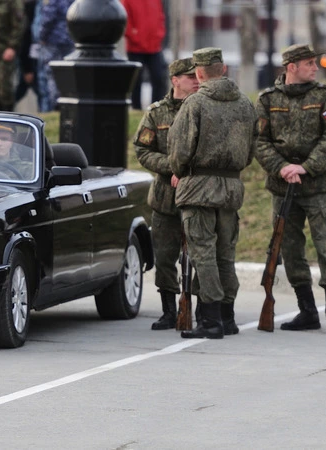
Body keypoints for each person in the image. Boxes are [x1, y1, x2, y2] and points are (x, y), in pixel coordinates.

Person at [255, 44, 326, 333]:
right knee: (291, 248)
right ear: (291, 67)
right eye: (309, 63)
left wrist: (306, 167)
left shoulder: (324, 95)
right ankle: (306, 309)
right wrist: (282, 167)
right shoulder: (268, 99)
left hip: (317, 184)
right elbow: (259, 140)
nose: (315, 67)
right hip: (283, 187)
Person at [167, 47, 257, 339]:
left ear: (201, 73)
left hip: (198, 188)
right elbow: (251, 150)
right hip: (231, 187)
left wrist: (180, 170)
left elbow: (179, 151)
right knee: (225, 254)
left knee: (202, 252)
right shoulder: (245, 104)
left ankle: (211, 320)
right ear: (224, 69)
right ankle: (227, 318)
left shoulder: (195, 104)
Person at [133, 57, 199, 330]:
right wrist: (170, 168)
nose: (197, 80)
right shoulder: (156, 113)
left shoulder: (203, 108)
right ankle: (169, 310)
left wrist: (188, 172)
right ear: (175, 80)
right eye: (190, 77)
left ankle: (201, 307)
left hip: (197, 194)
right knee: (164, 256)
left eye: (198, 76)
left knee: (199, 255)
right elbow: (143, 150)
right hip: (165, 197)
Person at [120, 0, 168, 110]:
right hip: (135, 47)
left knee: (159, 76)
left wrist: (159, 34)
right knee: (136, 80)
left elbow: (161, 17)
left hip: (154, 46)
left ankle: (156, 108)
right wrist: (134, 36)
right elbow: (125, 20)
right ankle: (136, 108)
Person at [37, 0, 75, 111]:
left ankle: (56, 104)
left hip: (52, 42)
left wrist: (42, 37)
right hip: (69, 41)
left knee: (52, 74)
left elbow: (48, 19)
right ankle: (67, 103)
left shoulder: (54, 1)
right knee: (68, 74)